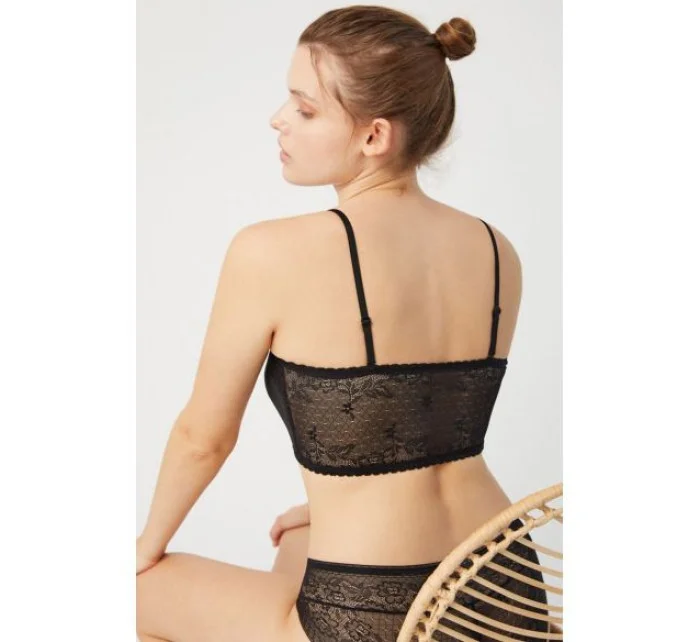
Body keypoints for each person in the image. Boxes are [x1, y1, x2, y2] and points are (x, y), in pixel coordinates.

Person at [136, 5, 549, 642]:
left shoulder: (272, 251)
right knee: (298, 536)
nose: (278, 118)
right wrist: (324, 507)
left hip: (374, 609)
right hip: (501, 588)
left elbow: (203, 438)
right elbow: (426, 421)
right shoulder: (498, 251)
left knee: (129, 593)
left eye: (304, 109)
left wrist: (144, 549)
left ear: (374, 136)